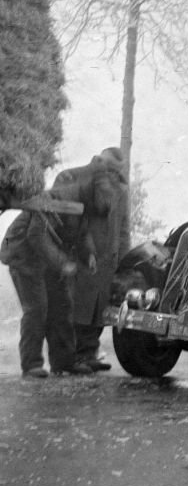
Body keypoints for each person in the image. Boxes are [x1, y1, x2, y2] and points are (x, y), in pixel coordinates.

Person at [0, 181, 95, 378]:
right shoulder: (52, 201)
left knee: (62, 306)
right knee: (36, 309)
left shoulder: (82, 205)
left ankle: (64, 363)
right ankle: (31, 364)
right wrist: (62, 264)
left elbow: (82, 233)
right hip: (23, 256)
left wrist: (89, 255)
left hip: (45, 261)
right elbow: (37, 237)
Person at [53, 147, 131, 372]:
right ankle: (74, 357)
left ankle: (89, 354)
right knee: (79, 307)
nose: (112, 174)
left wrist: (125, 262)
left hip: (109, 258)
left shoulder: (122, 190)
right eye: (109, 168)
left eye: (116, 170)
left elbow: (124, 228)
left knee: (99, 310)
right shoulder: (75, 176)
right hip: (83, 253)